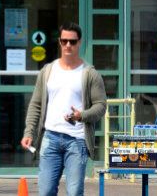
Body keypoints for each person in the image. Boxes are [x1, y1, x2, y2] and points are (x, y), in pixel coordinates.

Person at [21, 22, 107, 196]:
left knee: (74, 192)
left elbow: (101, 106)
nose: (68, 45)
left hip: (77, 141)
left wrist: (81, 115)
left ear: (80, 42)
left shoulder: (89, 73)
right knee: (45, 192)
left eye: (73, 42)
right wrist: (29, 132)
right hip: (50, 138)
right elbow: (36, 104)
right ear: (59, 42)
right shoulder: (47, 71)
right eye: (64, 41)